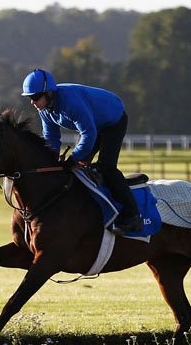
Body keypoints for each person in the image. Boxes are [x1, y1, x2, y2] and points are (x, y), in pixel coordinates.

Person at [21, 68, 143, 235]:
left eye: (35, 97)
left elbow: (89, 134)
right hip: (94, 124)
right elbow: (52, 139)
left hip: (113, 121)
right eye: (29, 98)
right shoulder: (45, 110)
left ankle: (133, 216)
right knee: (78, 168)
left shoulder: (70, 102)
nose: (32, 102)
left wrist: (74, 158)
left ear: (49, 93)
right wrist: (51, 160)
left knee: (106, 167)